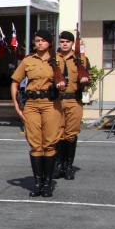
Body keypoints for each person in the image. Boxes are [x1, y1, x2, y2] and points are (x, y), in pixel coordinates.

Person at [11, 30, 65, 198]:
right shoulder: (28, 61)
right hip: (32, 104)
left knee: (49, 143)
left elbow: (65, 81)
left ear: (49, 43)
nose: (40, 43)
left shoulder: (58, 60)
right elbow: (15, 82)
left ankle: (47, 183)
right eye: (37, 40)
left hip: (51, 104)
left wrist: (61, 85)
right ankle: (37, 183)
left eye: (43, 40)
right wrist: (16, 105)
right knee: (35, 144)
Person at [55, 31, 90, 180]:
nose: (64, 44)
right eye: (62, 41)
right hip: (57, 101)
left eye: (67, 42)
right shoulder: (53, 59)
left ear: (72, 43)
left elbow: (88, 77)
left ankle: (68, 166)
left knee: (71, 134)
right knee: (58, 133)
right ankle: (58, 165)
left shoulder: (81, 59)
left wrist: (85, 80)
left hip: (73, 100)